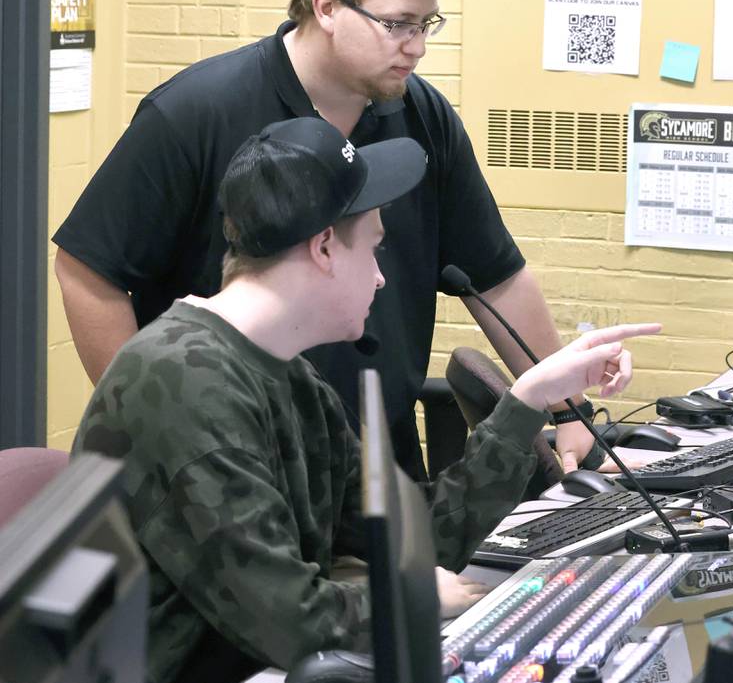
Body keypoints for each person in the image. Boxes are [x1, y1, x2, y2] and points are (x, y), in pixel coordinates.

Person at [71, 117, 660, 683]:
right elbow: (290, 622)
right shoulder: (183, 388)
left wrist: (532, 395)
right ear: (325, 248)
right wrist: (408, 598)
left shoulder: (284, 373)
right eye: (373, 248)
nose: (380, 277)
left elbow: (421, 537)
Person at [56, 0, 599, 480]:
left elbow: (497, 276)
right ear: (327, 6)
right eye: (396, 24)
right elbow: (89, 273)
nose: (416, 46)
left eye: (426, 24)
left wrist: (571, 412)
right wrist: (156, 430)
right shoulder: (194, 113)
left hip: (376, 464)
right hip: (233, 466)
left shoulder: (425, 119)